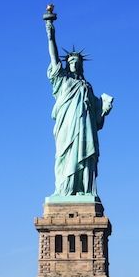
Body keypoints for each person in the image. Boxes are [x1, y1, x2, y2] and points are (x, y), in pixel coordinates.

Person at [45, 19, 113, 196]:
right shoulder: (62, 81)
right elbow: (53, 58)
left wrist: (104, 109)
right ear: (67, 64)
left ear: (81, 64)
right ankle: (64, 190)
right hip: (66, 126)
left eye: (76, 61)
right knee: (64, 156)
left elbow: (97, 118)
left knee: (85, 155)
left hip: (85, 127)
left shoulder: (87, 86)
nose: (74, 63)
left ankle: (85, 190)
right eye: (71, 61)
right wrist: (50, 34)